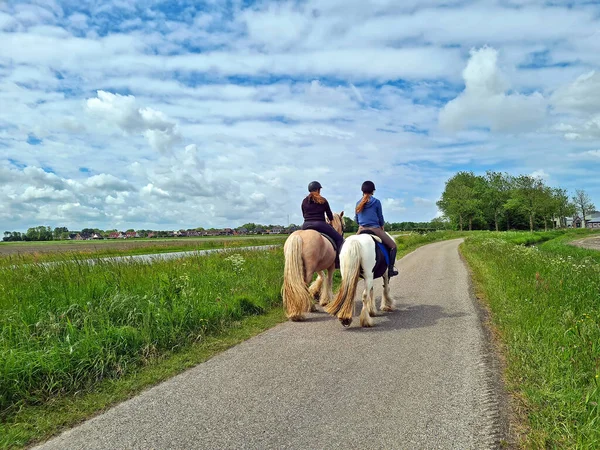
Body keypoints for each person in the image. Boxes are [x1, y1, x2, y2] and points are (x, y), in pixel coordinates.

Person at [354, 180, 398, 277]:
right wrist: (381, 226)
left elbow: (356, 219)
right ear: (373, 191)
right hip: (375, 229)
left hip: (361, 229)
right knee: (393, 246)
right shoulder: (376, 202)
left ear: (362, 190)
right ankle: (390, 270)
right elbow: (380, 217)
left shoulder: (357, 203)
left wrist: (361, 225)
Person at [301, 181, 344, 268]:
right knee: (339, 239)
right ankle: (337, 262)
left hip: (305, 225)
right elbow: (329, 215)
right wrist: (330, 222)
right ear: (318, 190)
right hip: (320, 224)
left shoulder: (304, 201)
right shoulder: (323, 200)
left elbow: (303, 214)